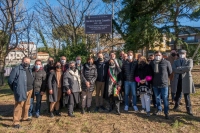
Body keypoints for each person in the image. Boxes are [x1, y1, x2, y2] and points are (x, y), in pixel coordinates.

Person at [8, 57, 34, 128]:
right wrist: (16, 89)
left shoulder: (29, 69)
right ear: (22, 61)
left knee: (27, 104)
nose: (27, 63)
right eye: (26, 61)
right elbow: (10, 81)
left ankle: (24, 117)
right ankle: (16, 122)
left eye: (28, 61)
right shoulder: (16, 69)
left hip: (30, 89)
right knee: (19, 105)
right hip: (21, 90)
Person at [150, 51, 172, 119]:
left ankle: (166, 112)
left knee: (165, 98)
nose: (157, 56)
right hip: (155, 84)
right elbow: (150, 72)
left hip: (164, 84)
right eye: (156, 55)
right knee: (157, 98)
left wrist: (165, 79)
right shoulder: (152, 63)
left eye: (159, 55)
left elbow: (170, 72)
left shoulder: (166, 62)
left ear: (162, 55)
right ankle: (159, 109)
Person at [172, 50, 195, 116]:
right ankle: (176, 106)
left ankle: (189, 109)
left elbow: (189, 68)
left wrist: (179, 68)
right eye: (180, 53)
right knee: (178, 93)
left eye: (183, 53)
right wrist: (183, 69)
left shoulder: (189, 60)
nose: (182, 54)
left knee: (186, 95)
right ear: (178, 54)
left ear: (185, 54)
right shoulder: (176, 61)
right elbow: (174, 69)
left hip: (186, 79)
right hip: (178, 79)